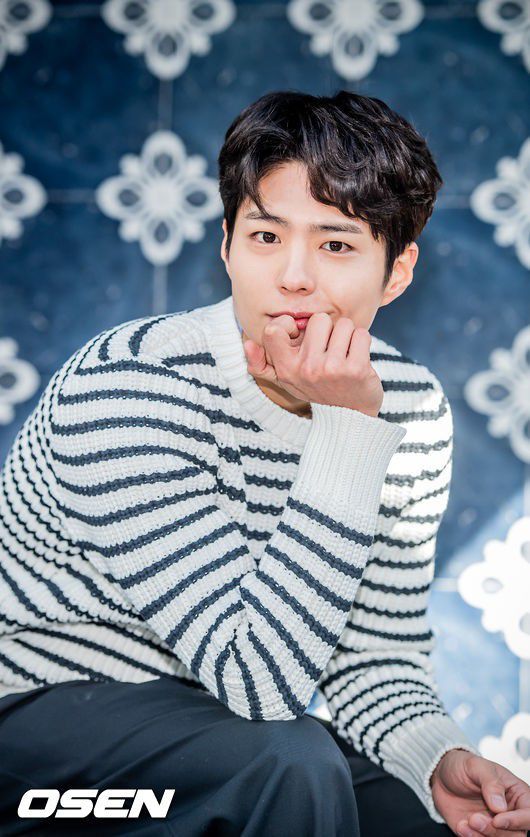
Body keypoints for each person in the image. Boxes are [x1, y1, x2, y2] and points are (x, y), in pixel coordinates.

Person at [1, 89, 528, 837]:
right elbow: (257, 683)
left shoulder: (409, 405)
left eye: (336, 244)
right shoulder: (131, 383)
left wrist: (435, 756)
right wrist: (348, 427)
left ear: (397, 272)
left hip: (219, 730)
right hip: (33, 725)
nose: (293, 276)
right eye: (266, 236)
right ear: (227, 245)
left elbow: (374, 656)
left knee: (422, 816)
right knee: (291, 762)